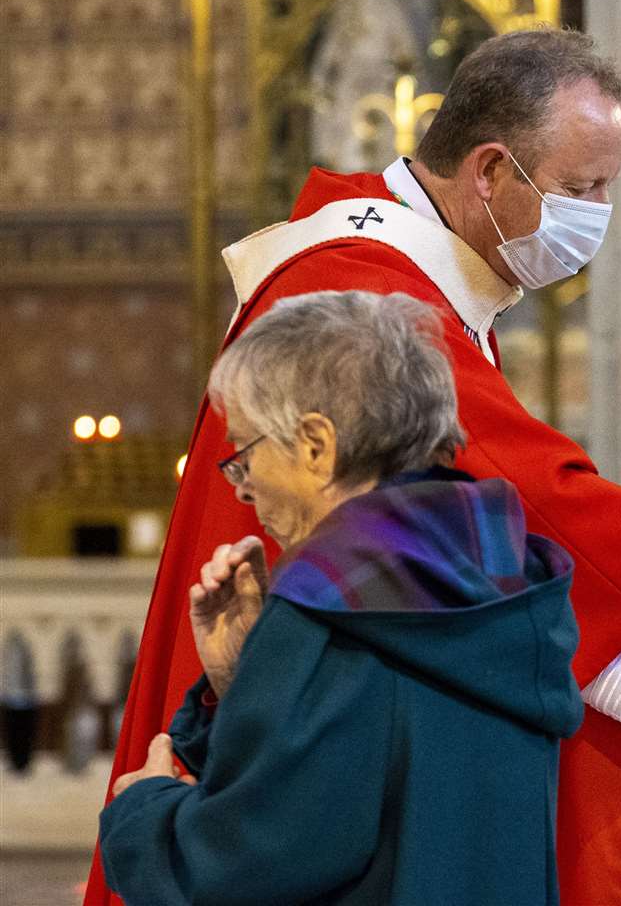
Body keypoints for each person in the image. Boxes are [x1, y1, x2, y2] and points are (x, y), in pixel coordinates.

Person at [91, 28, 621, 906]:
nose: (599, 213)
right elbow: (530, 487)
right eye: (582, 188)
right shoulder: (366, 292)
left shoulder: (408, 283)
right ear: (489, 171)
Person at [101, 290, 586, 905]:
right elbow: (384, 799)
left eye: (246, 454)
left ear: (315, 444)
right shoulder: (503, 578)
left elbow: (241, 873)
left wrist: (143, 814)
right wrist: (244, 681)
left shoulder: (333, 611)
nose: (244, 491)